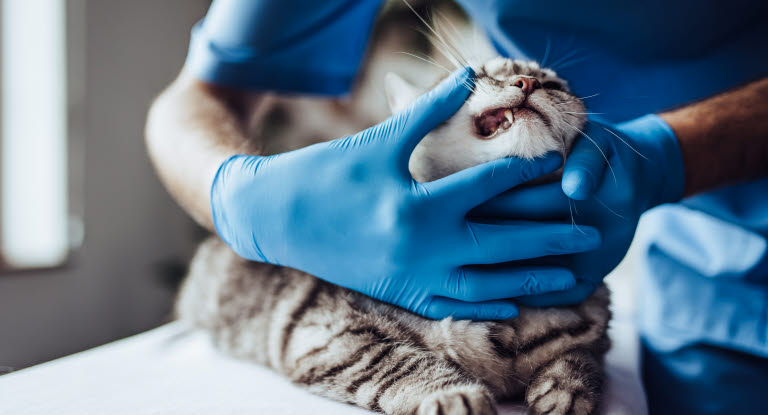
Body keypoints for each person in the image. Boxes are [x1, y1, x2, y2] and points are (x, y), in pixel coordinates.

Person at [145, 1, 768, 413]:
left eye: (544, 84)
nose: (527, 84)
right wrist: (237, 193)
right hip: (706, 296)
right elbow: (199, 95)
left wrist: (672, 154)